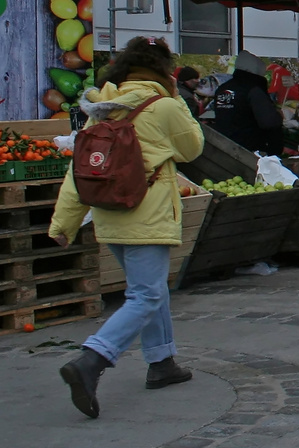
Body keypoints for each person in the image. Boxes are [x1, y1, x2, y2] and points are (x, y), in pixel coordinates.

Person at [50, 36, 205, 419]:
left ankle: (162, 362)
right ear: (163, 71)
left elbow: (80, 171)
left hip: (108, 215)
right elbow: (193, 149)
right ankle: (93, 359)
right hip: (146, 216)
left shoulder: (102, 109)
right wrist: (178, 102)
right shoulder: (166, 105)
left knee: (151, 289)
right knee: (146, 296)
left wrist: (64, 222)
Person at [207, 50, 283, 155]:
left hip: (226, 147)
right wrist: (279, 116)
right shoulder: (254, 90)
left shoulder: (222, 89)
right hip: (252, 151)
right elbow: (268, 122)